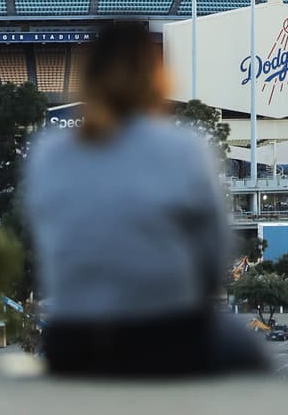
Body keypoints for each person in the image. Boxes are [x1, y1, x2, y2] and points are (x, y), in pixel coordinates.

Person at [23, 21, 255, 376]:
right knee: (251, 353)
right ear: (156, 78)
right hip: (166, 335)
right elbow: (215, 253)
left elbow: (48, 240)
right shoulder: (183, 147)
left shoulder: (48, 151)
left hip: (74, 339)